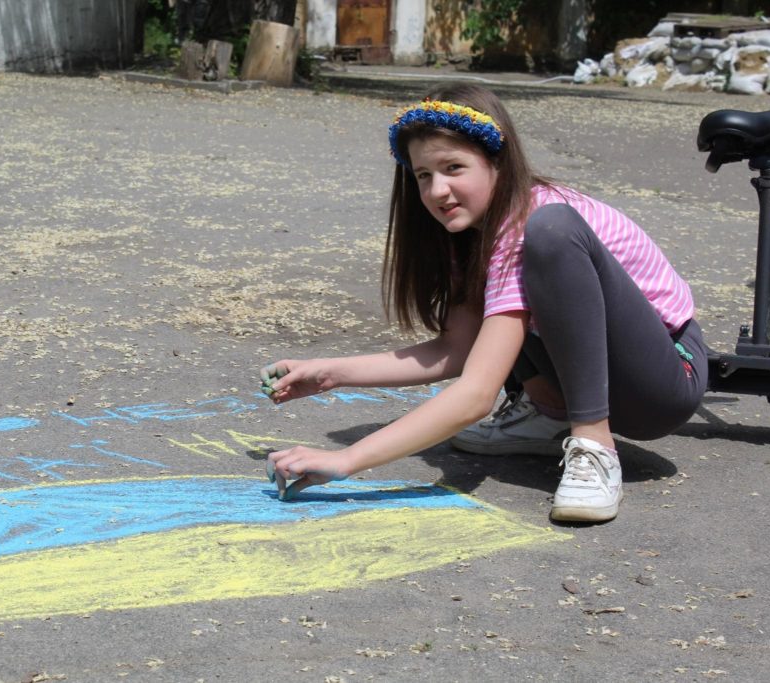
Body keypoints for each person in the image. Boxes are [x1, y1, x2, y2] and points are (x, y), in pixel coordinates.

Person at [261, 84, 706, 523]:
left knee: (552, 232)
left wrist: (346, 462)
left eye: (454, 167)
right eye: (423, 175)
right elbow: (456, 350)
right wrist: (330, 373)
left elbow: (476, 394)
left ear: (498, 161)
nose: (437, 190)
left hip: (664, 380)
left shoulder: (533, 220)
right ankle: (550, 415)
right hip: (610, 380)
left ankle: (594, 446)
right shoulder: (476, 235)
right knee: (507, 309)